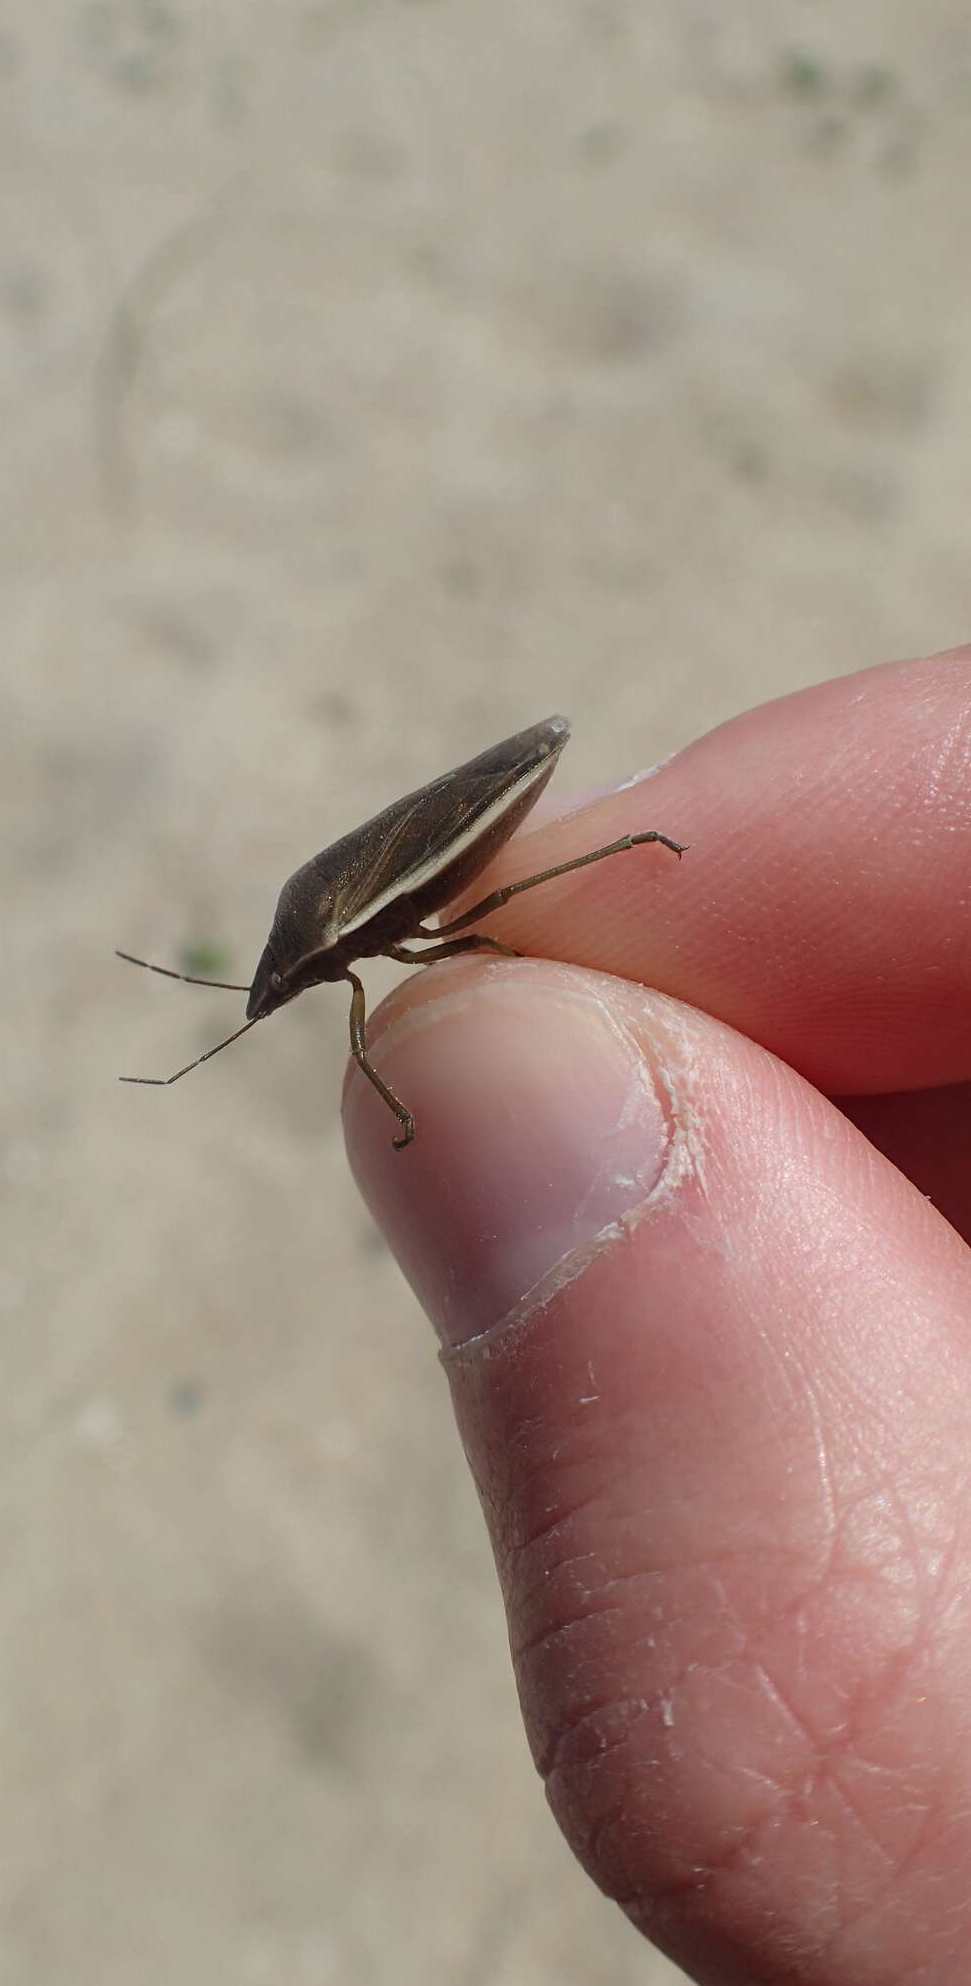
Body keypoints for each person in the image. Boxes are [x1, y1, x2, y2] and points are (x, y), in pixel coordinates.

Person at [343, 648, 971, 1984]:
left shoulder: (356, 962)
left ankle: (613, 845)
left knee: (471, 959)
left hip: (420, 899)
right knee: (480, 955)